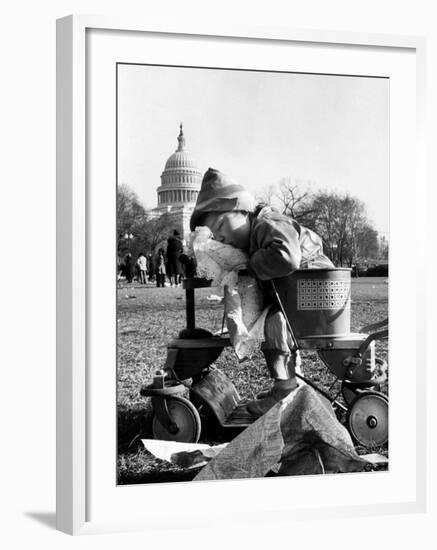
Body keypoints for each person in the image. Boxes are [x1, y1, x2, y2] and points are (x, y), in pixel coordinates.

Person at [190, 168, 333, 417]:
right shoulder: (259, 231)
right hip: (305, 297)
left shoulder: (266, 224)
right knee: (273, 322)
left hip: (315, 296)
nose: (223, 236)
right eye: (217, 234)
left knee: (274, 324)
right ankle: (287, 385)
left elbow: (287, 257)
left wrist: (252, 266)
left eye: (223, 224)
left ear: (243, 208)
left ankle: (285, 391)